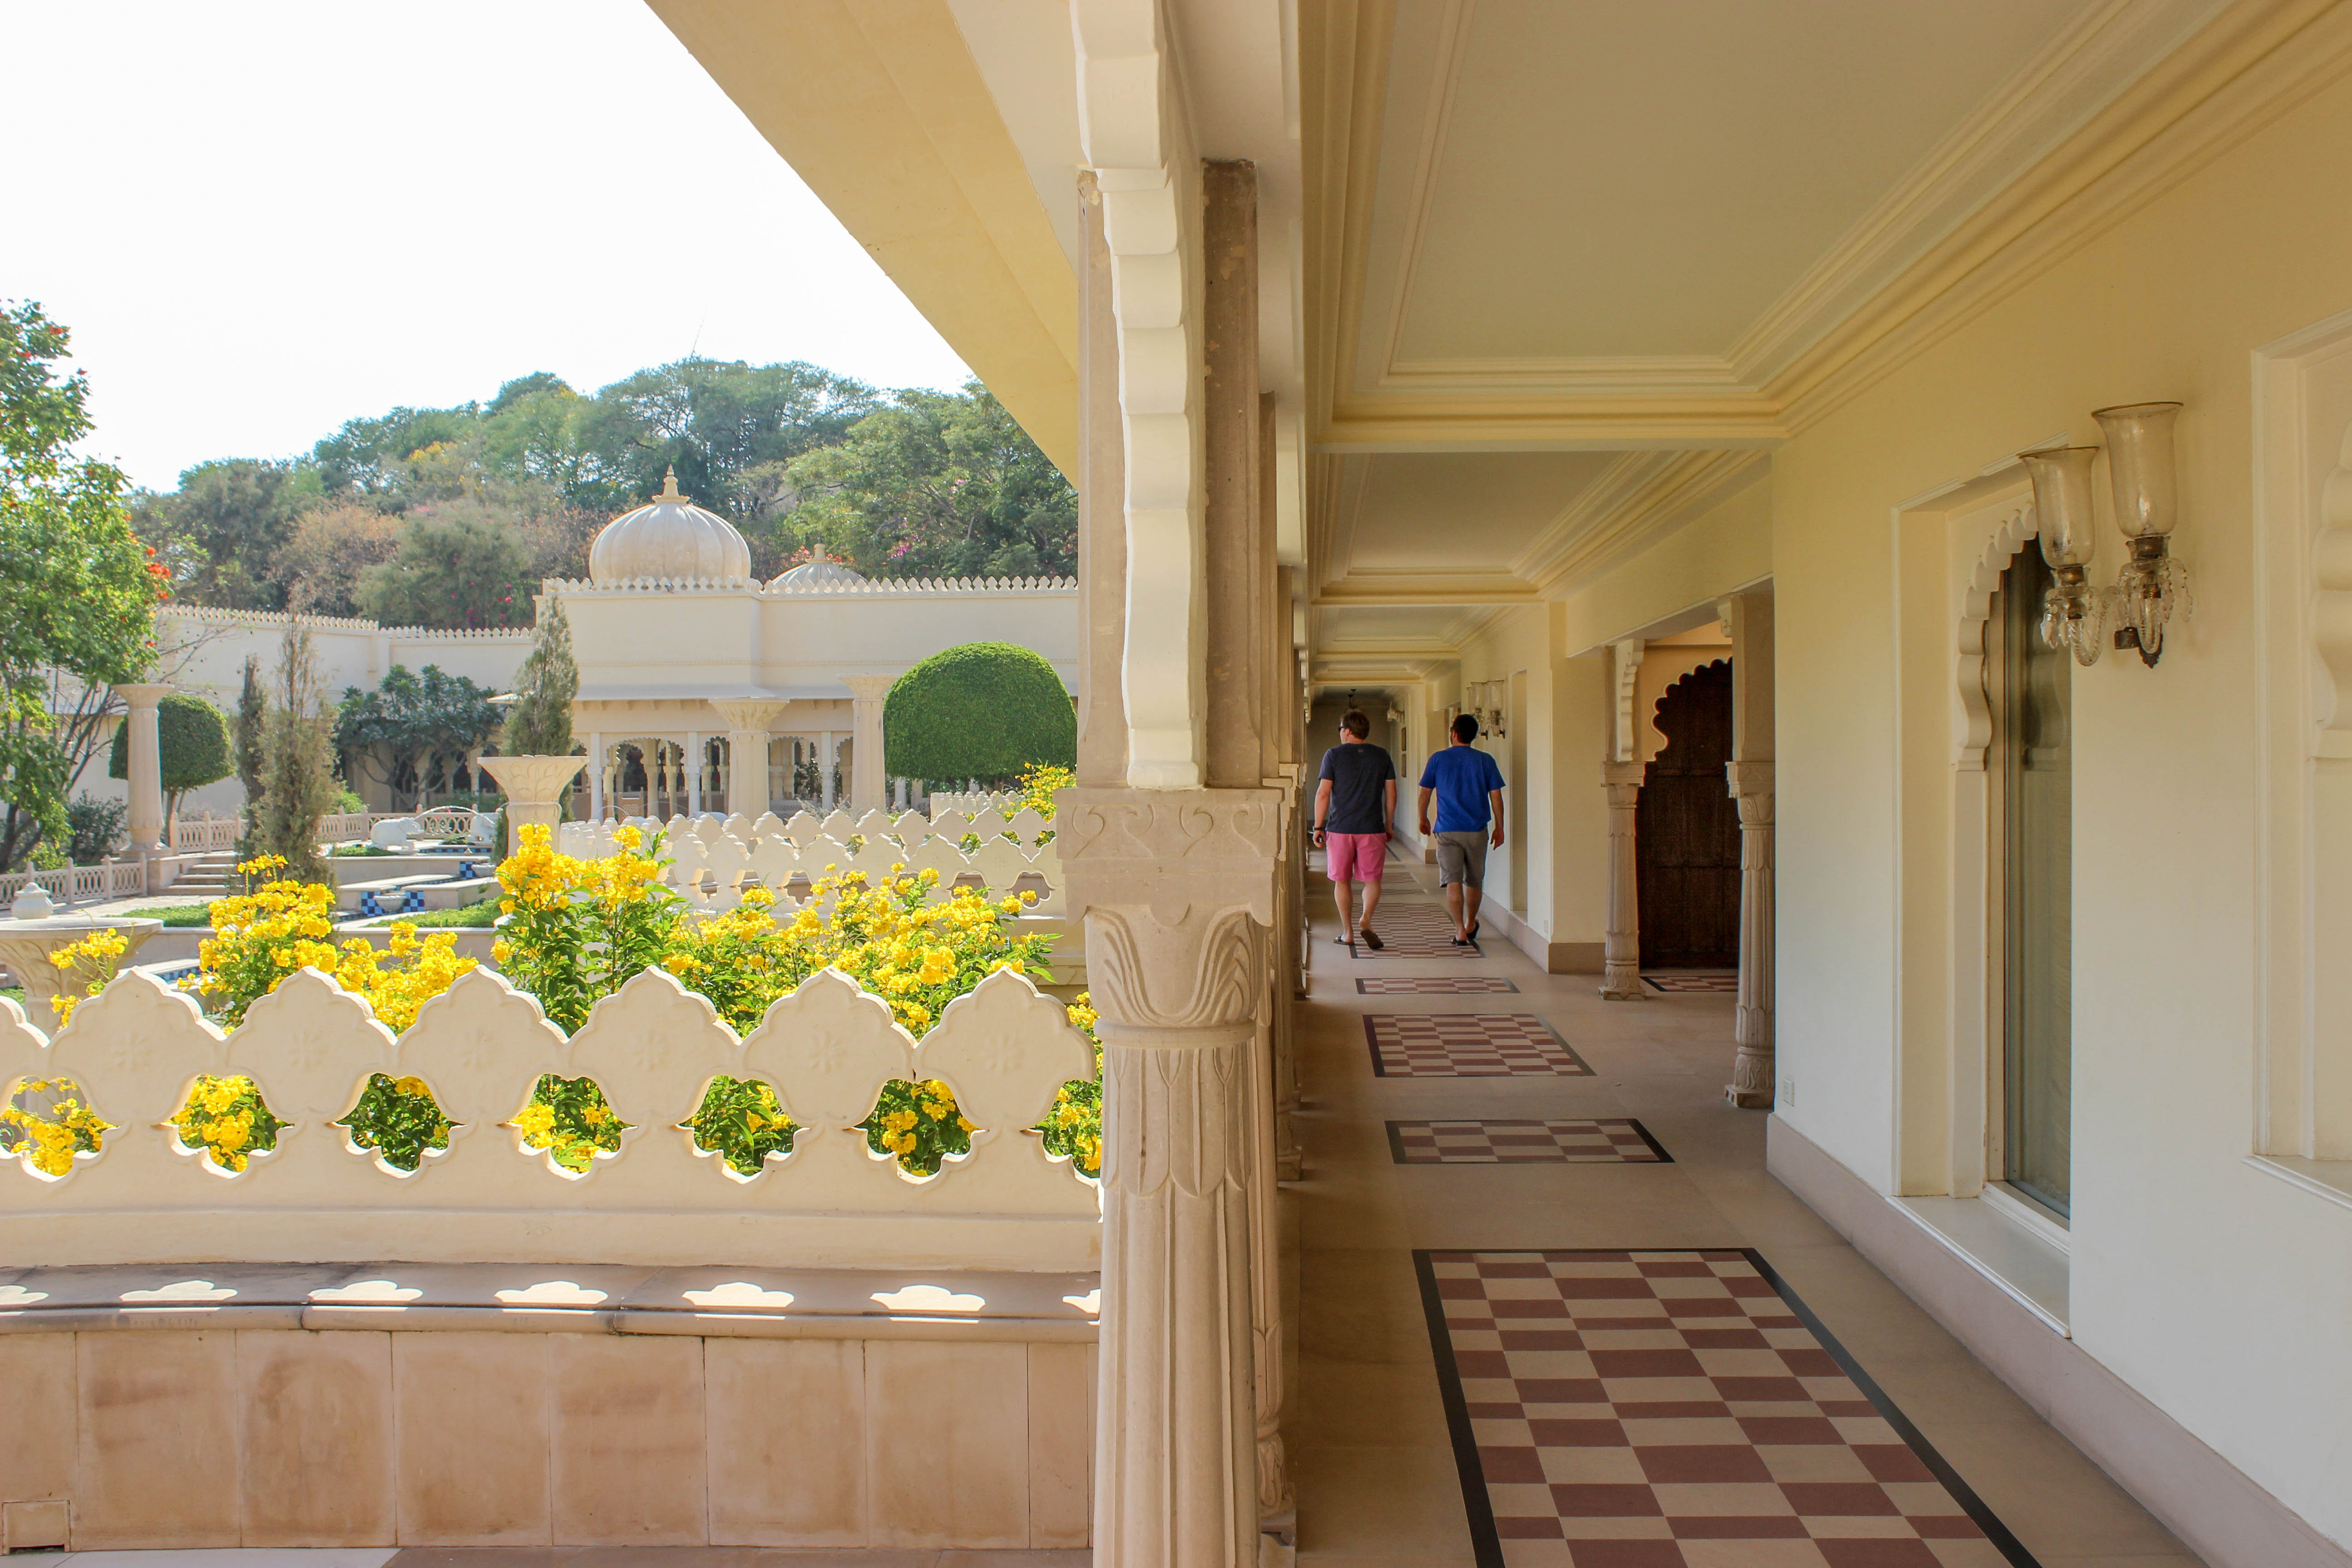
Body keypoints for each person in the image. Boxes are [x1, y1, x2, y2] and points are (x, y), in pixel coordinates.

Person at [1418, 712, 1506, 946]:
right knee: (1475, 881)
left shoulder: (1437, 759)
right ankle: (1470, 922)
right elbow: (1496, 797)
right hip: (1477, 830)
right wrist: (1500, 827)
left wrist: (1423, 818)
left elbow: (1425, 793)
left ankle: (1459, 931)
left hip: (1447, 830)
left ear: (1454, 734)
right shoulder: (1485, 761)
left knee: (1453, 881)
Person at [1311, 709, 1396, 948]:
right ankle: (1366, 918)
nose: (1340, 733)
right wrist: (1389, 824)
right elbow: (1391, 794)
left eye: (1341, 729)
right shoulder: (1382, 756)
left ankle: (1348, 933)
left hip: (1340, 829)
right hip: (1372, 828)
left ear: (1348, 730)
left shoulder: (1333, 756)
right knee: (1372, 880)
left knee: (1342, 881)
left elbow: (1323, 793)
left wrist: (1319, 827)